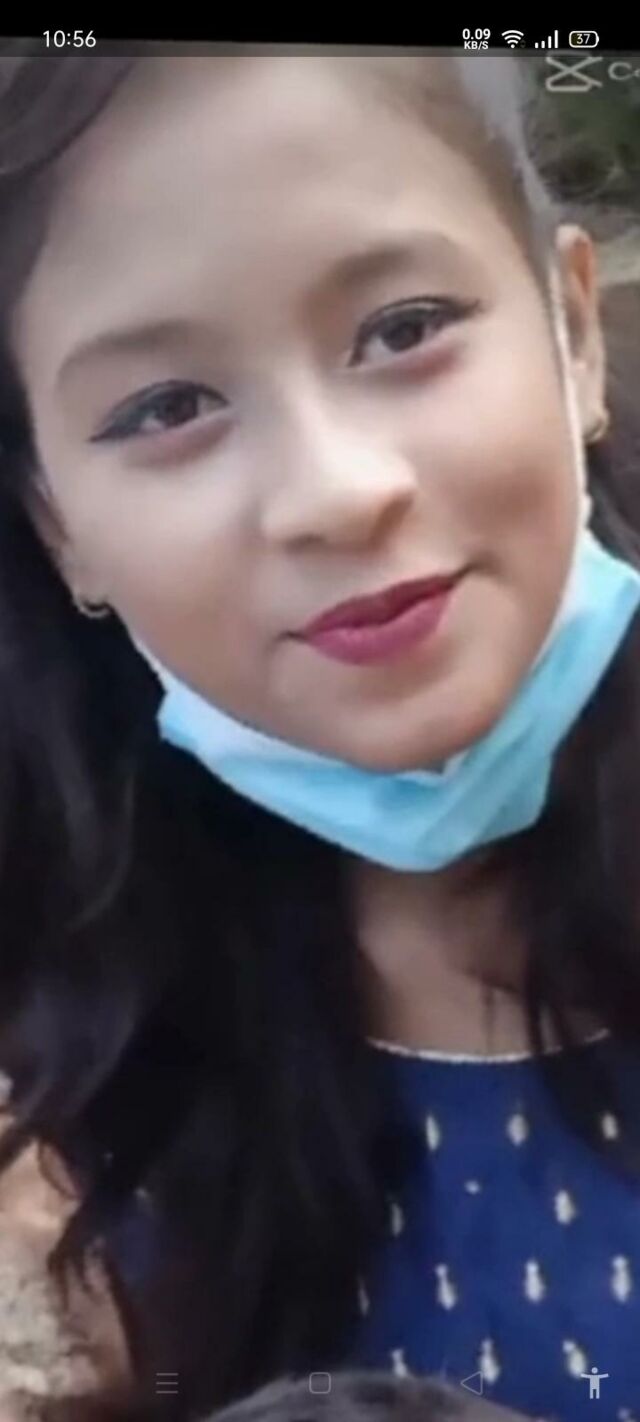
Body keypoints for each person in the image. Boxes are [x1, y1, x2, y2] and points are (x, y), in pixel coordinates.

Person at [0, 47, 640, 1422]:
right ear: (59, 526)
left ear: (576, 336)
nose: (335, 493)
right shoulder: (112, 1020)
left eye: (404, 327)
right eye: (167, 407)